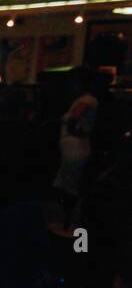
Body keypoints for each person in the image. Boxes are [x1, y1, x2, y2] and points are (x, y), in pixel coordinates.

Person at [52, 67, 99, 229]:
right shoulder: (84, 99)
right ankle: (69, 222)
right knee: (68, 184)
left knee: (70, 186)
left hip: (75, 148)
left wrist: (74, 130)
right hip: (73, 147)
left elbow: (75, 117)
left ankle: (71, 223)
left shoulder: (86, 100)